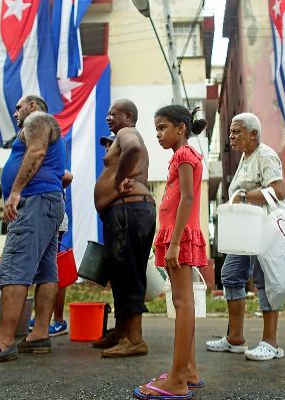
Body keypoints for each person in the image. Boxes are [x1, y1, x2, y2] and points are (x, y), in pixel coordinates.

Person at [0, 95, 66, 365]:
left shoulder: (37, 120)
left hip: (34, 202)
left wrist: (15, 192)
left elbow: (36, 152)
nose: (15, 113)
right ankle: (39, 335)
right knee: (46, 270)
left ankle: (4, 343)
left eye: (18, 106)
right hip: (47, 203)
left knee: (14, 268)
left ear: (32, 105)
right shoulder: (49, 126)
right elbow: (62, 173)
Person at [133, 105, 207, 400]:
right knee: (182, 302)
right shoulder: (181, 157)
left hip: (181, 236)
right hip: (176, 234)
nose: (159, 135)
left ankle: (177, 379)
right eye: (157, 129)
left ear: (181, 128)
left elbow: (187, 199)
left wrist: (175, 242)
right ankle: (188, 370)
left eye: (163, 128)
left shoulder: (184, 155)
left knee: (182, 302)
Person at [205, 112, 285, 361]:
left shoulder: (266, 155)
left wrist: (244, 197)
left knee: (265, 281)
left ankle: (270, 342)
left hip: (265, 229)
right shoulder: (244, 157)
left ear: (253, 134)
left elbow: (280, 190)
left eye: (236, 131)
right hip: (243, 231)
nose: (231, 136)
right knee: (230, 274)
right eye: (230, 131)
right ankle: (235, 338)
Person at [93, 99, 156, 358]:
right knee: (120, 273)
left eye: (114, 113)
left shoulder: (127, 133)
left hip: (129, 210)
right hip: (123, 212)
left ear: (128, 117)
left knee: (129, 272)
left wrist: (118, 180)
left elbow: (132, 147)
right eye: (107, 113)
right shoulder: (120, 133)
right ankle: (121, 332)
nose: (108, 117)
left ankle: (135, 339)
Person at [29, 169, 73, 337]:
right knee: (43, 270)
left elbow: (68, 176)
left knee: (53, 269)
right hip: (42, 215)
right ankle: (42, 317)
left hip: (52, 216)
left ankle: (58, 320)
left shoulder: (49, 159)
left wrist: (51, 189)